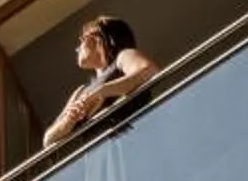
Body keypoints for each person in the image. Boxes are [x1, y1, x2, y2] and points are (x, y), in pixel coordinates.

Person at [41, 15, 160, 149]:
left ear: (102, 38)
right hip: (99, 158)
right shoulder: (80, 91)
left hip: (130, 144)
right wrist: (69, 120)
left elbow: (149, 71)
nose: (78, 48)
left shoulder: (123, 57)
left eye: (83, 39)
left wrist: (102, 91)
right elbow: (48, 140)